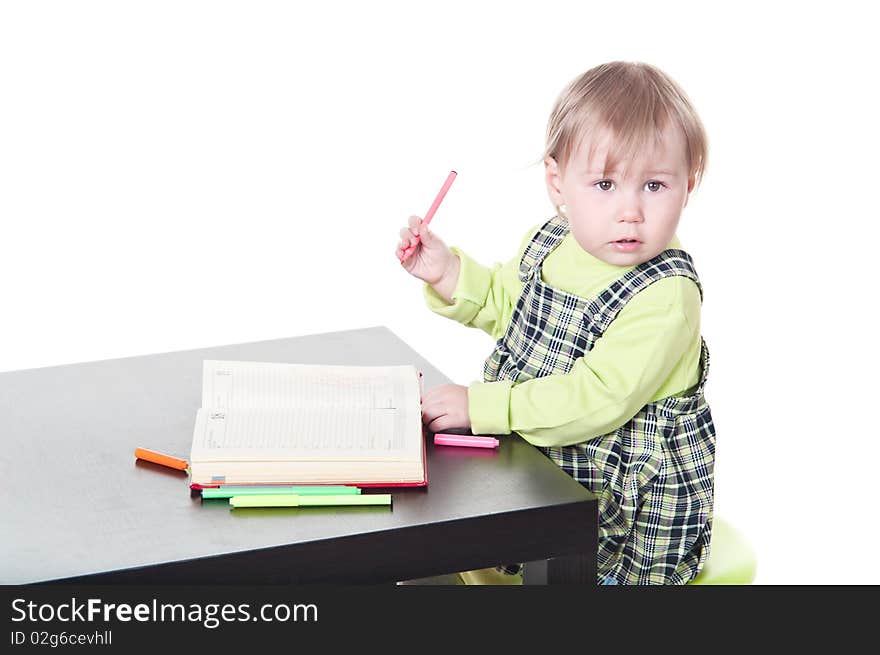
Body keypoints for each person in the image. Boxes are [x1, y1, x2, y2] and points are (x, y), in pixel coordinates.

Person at [395, 61, 715, 585]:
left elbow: (596, 397)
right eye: (606, 183)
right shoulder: (551, 243)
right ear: (558, 183)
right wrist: (447, 271)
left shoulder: (666, 295)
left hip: (624, 519)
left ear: (688, 186)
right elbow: (508, 304)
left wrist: (482, 405)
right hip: (545, 475)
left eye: (654, 185)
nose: (630, 210)